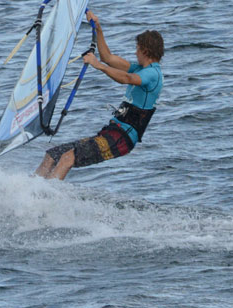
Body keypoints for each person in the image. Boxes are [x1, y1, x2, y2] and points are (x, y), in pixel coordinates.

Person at [35, 10, 164, 181]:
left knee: (68, 158)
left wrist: (98, 66)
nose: (135, 53)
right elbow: (108, 58)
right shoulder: (140, 68)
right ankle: (31, 191)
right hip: (112, 131)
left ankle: (45, 198)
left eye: (138, 49)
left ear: (146, 51)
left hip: (123, 138)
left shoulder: (153, 74)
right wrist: (98, 28)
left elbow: (127, 79)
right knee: (53, 154)